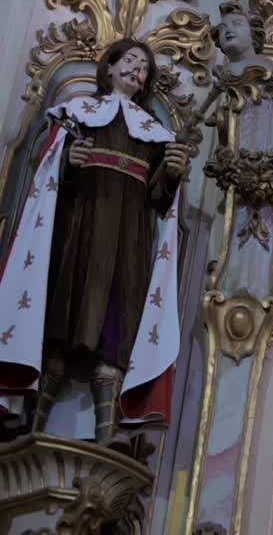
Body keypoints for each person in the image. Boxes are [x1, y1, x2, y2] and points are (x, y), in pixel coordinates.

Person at [0, 38, 187, 441]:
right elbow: (46, 169)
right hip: (79, 223)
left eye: (144, 66)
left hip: (129, 237)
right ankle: (33, 426)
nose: (137, 69)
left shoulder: (154, 132)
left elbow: (158, 197)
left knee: (119, 320)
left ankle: (105, 435)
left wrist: (171, 173)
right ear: (110, 67)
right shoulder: (78, 112)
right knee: (62, 309)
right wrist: (67, 161)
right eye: (131, 61)